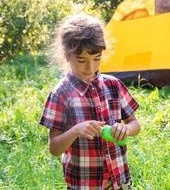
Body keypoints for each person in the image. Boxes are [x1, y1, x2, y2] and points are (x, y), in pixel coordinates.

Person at [39, 13, 141, 190]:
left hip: (119, 180)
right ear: (67, 56)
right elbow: (54, 148)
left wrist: (125, 129)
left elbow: (135, 124)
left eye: (96, 59)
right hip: (84, 184)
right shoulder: (61, 94)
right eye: (81, 60)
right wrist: (75, 131)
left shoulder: (113, 85)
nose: (90, 68)